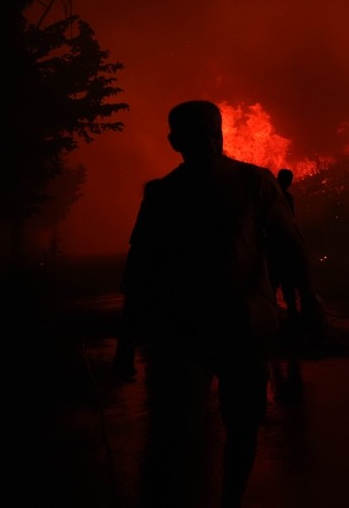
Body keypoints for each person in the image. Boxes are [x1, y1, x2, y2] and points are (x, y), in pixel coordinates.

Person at [112, 100, 324, 508]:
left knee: (238, 424)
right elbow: (139, 270)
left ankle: (229, 501)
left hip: (235, 329)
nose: (208, 141)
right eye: (198, 135)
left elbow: (288, 245)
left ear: (218, 135)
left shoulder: (251, 183)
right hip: (193, 331)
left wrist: (311, 298)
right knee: (187, 430)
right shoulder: (166, 195)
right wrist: (125, 343)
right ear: (177, 142)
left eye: (210, 133)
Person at [271, 167, 302, 323]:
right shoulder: (270, 195)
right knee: (274, 279)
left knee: (286, 279)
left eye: (290, 181)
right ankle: (270, 311)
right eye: (287, 181)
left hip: (283, 244)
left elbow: (291, 220)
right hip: (272, 244)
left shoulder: (288, 197)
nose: (289, 184)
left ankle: (290, 311)